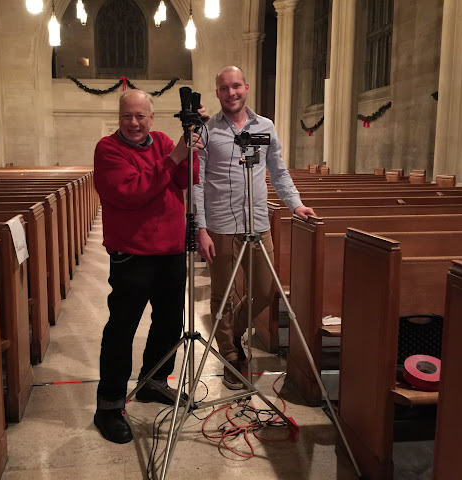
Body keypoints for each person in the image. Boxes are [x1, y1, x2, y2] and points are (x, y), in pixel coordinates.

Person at [93, 89, 204, 444]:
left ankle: (153, 382)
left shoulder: (164, 141)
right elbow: (130, 192)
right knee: (121, 328)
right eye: (128, 116)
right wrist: (174, 157)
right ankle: (108, 407)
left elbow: (188, 177)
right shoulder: (108, 149)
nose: (135, 123)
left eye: (141, 116)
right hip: (132, 253)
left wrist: (191, 147)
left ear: (152, 117)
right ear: (119, 117)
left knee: (170, 323)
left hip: (170, 250)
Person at [194, 66, 315, 390]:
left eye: (236, 86)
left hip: (257, 223)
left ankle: (233, 332)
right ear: (217, 92)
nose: (231, 93)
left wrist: (296, 204)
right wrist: (200, 228)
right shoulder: (206, 131)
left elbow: (278, 171)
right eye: (224, 88)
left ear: (246, 87)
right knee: (222, 294)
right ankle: (231, 355)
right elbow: (197, 181)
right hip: (220, 225)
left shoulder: (266, 127)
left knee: (264, 289)